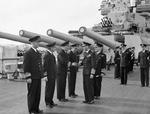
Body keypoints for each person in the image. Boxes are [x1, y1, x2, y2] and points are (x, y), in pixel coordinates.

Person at [23, 36, 43, 114]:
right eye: (37, 42)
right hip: (32, 77)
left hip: (38, 77)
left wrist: (42, 75)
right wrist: (28, 77)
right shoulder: (28, 53)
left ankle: (36, 109)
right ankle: (31, 110)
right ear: (33, 43)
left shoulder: (37, 52)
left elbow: (39, 65)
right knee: (32, 94)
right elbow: (26, 66)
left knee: (37, 94)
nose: (38, 44)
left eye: (38, 42)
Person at [43, 43, 57, 108]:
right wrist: (45, 76)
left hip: (53, 75)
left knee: (52, 89)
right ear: (51, 48)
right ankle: (47, 103)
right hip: (49, 76)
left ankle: (51, 101)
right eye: (54, 47)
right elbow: (44, 66)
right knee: (48, 89)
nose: (55, 48)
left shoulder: (52, 55)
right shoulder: (47, 55)